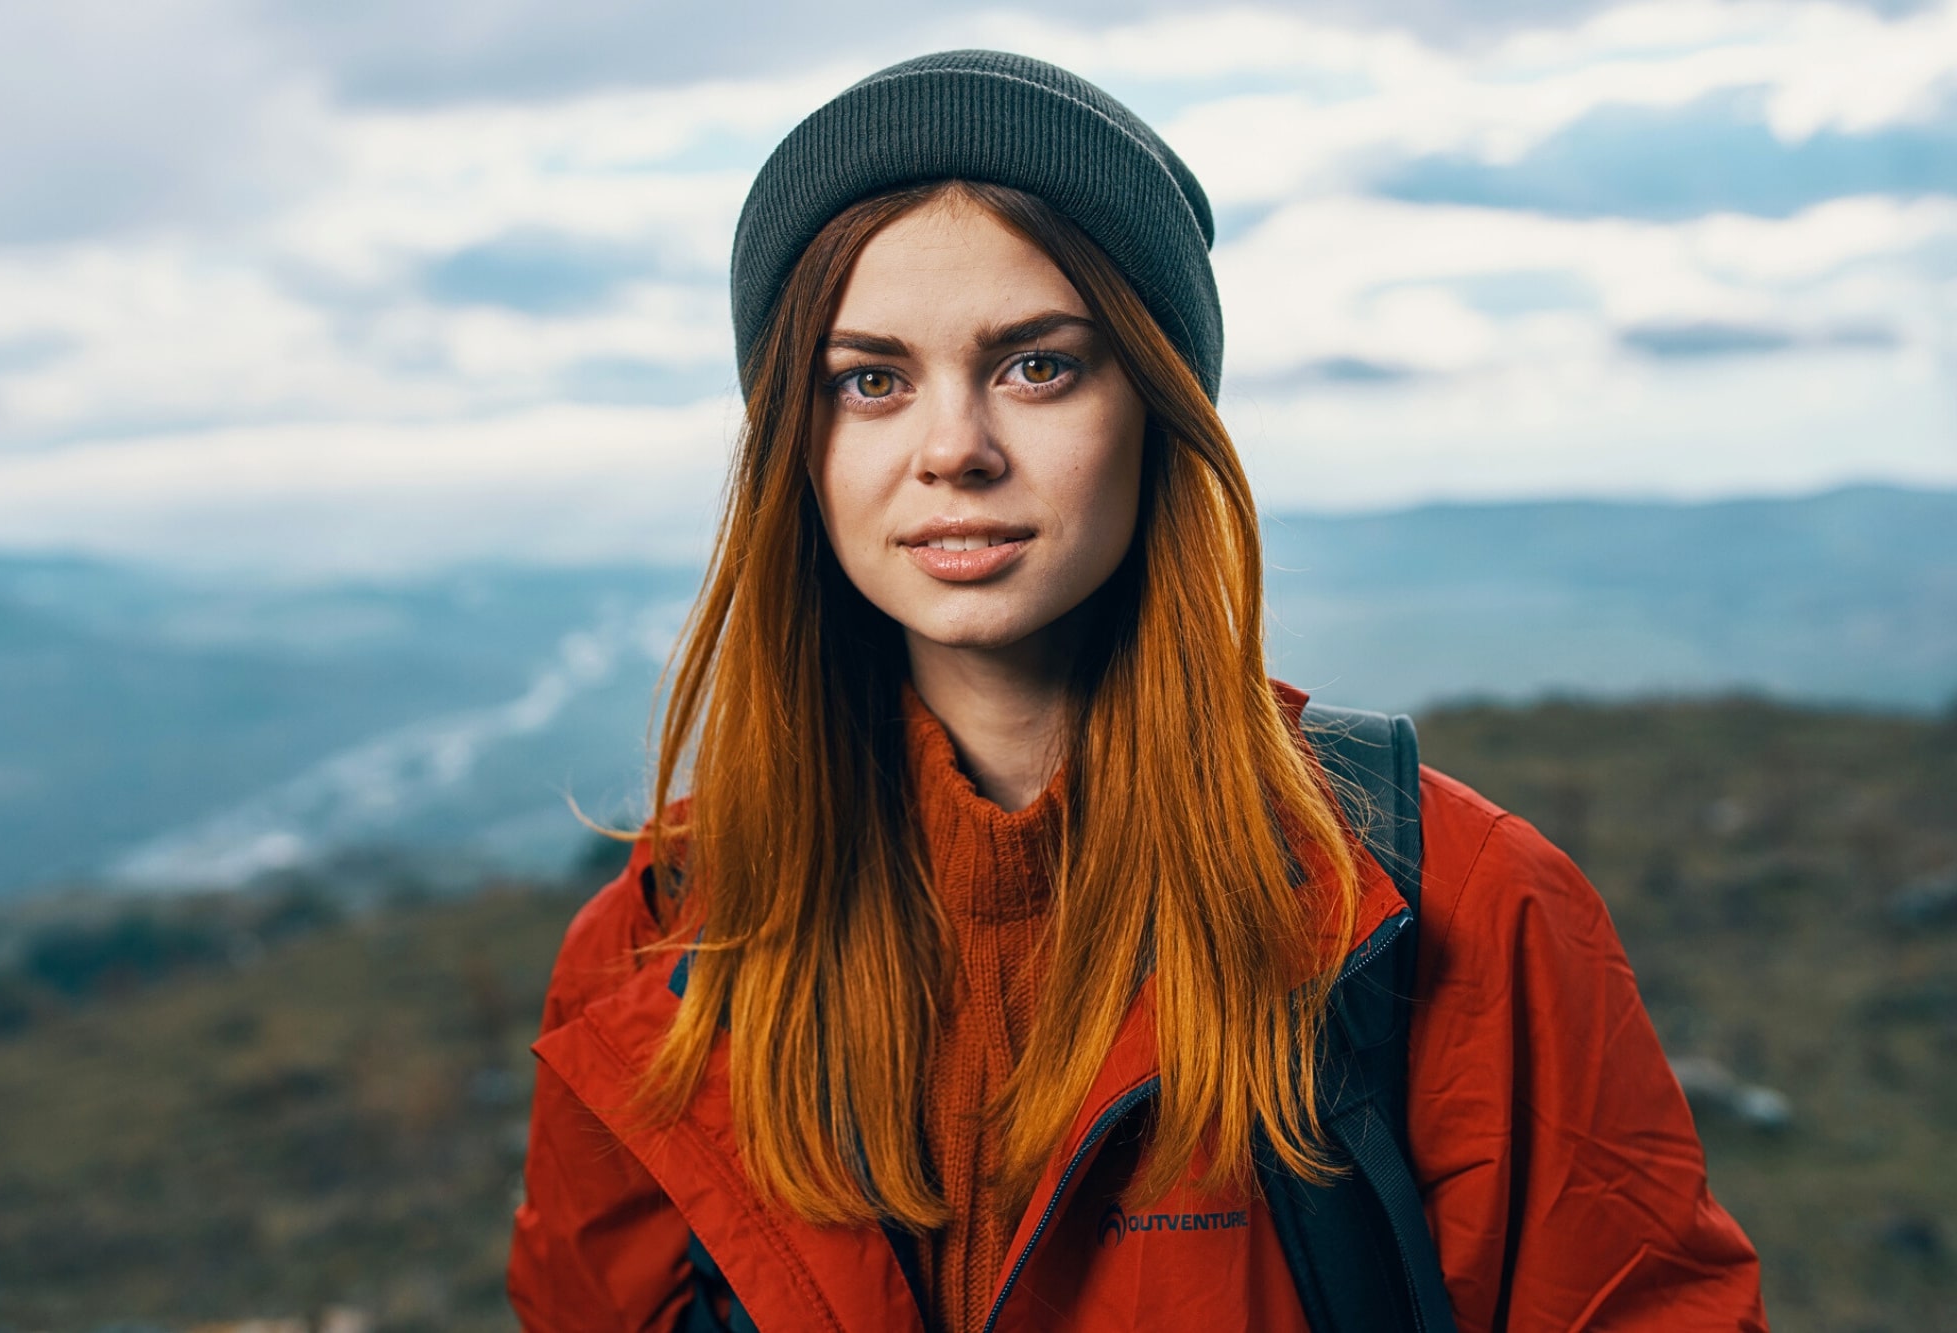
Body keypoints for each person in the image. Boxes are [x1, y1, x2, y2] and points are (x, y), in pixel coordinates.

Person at [507, 50, 1767, 1332]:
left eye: (1036, 365)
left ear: (1157, 400)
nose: (952, 449)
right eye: (868, 379)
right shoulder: (657, 956)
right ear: (799, 442)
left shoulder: (1458, 915)